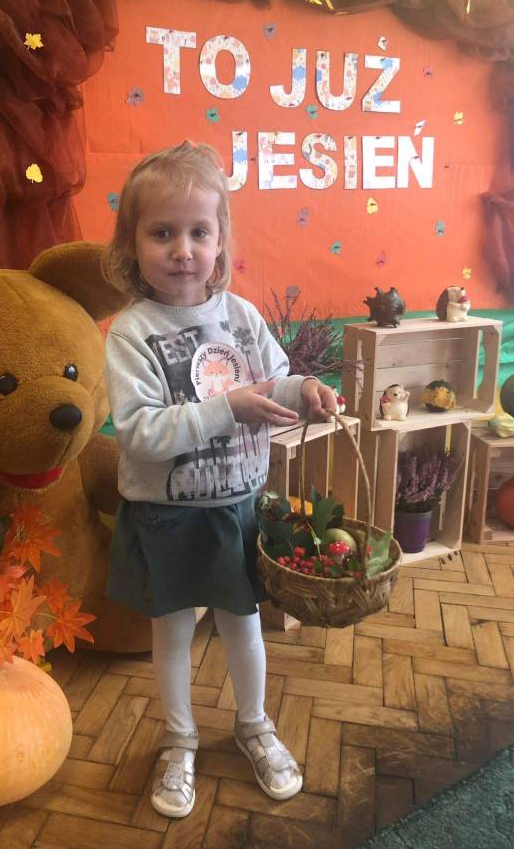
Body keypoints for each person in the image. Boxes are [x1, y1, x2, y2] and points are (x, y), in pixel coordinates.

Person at [102, 140, 336, 818]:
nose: (182, 250)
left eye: (198, 233)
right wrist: (225, 408)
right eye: (162, 233)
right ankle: (179, 740)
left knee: (243, 626)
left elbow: (274, 382)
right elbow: (140, 432)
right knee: (173, 634)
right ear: (132, 244)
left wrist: (304, 389)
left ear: (220, 240)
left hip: (238, 509)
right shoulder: (130, 333)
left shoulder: (241, 316)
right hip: (166, 514)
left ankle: (254, 725)